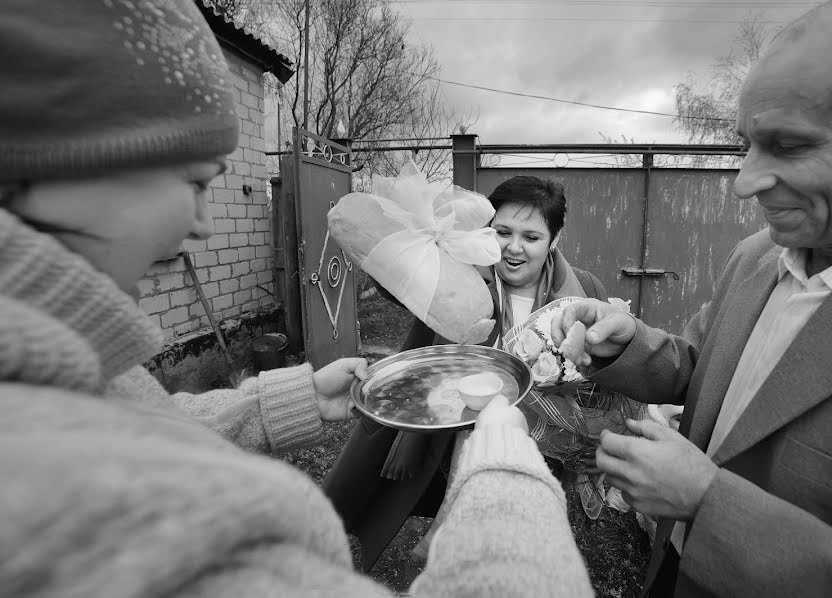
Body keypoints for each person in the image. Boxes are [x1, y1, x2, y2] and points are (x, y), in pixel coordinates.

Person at [0, 1, 595, 596]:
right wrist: (509, 486)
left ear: (555, 240)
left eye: (532, 237)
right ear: (74, 169)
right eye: (195, 181)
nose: (206, 223)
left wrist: (291, 396)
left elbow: (142, 427)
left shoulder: (78, 370)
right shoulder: (49, 479)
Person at [553, 1, 832, 596]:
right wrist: (627, 346)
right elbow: (700, 368)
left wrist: (709, 504)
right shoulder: (756, 257)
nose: (744, 183)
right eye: (747, 144)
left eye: (789, 145)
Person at [325, 175, 616, 569]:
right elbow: (397, 285)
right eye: (503, 232)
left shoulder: (584, 290)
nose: (514, 248)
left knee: (519, 552)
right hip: (452, 444)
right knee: (462, 549)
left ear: (555, 239)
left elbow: (606, 370)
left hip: (540, 454)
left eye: (531, 237)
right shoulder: (459, 276)